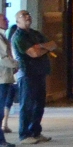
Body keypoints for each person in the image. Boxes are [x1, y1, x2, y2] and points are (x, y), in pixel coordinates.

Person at [9, 9, 54, 145]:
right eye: (23, 15)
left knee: (39, 104)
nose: (27, 16)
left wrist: (40, 46)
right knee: (27, 105)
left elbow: (53, 45)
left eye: (28, 14)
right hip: (27, 74)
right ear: (17, 21)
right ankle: (24, 134)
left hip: (40, 72)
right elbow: (34, 53)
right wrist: (43, 48)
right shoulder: (19, 37)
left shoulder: (35, 33)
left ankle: (35, 131)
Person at [0, 16, 16, 146]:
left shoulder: (3, 36)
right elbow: (3, 58)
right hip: (1, 78)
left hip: (5, 77)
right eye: (4, 19)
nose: (7, 21)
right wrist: (17, 64)